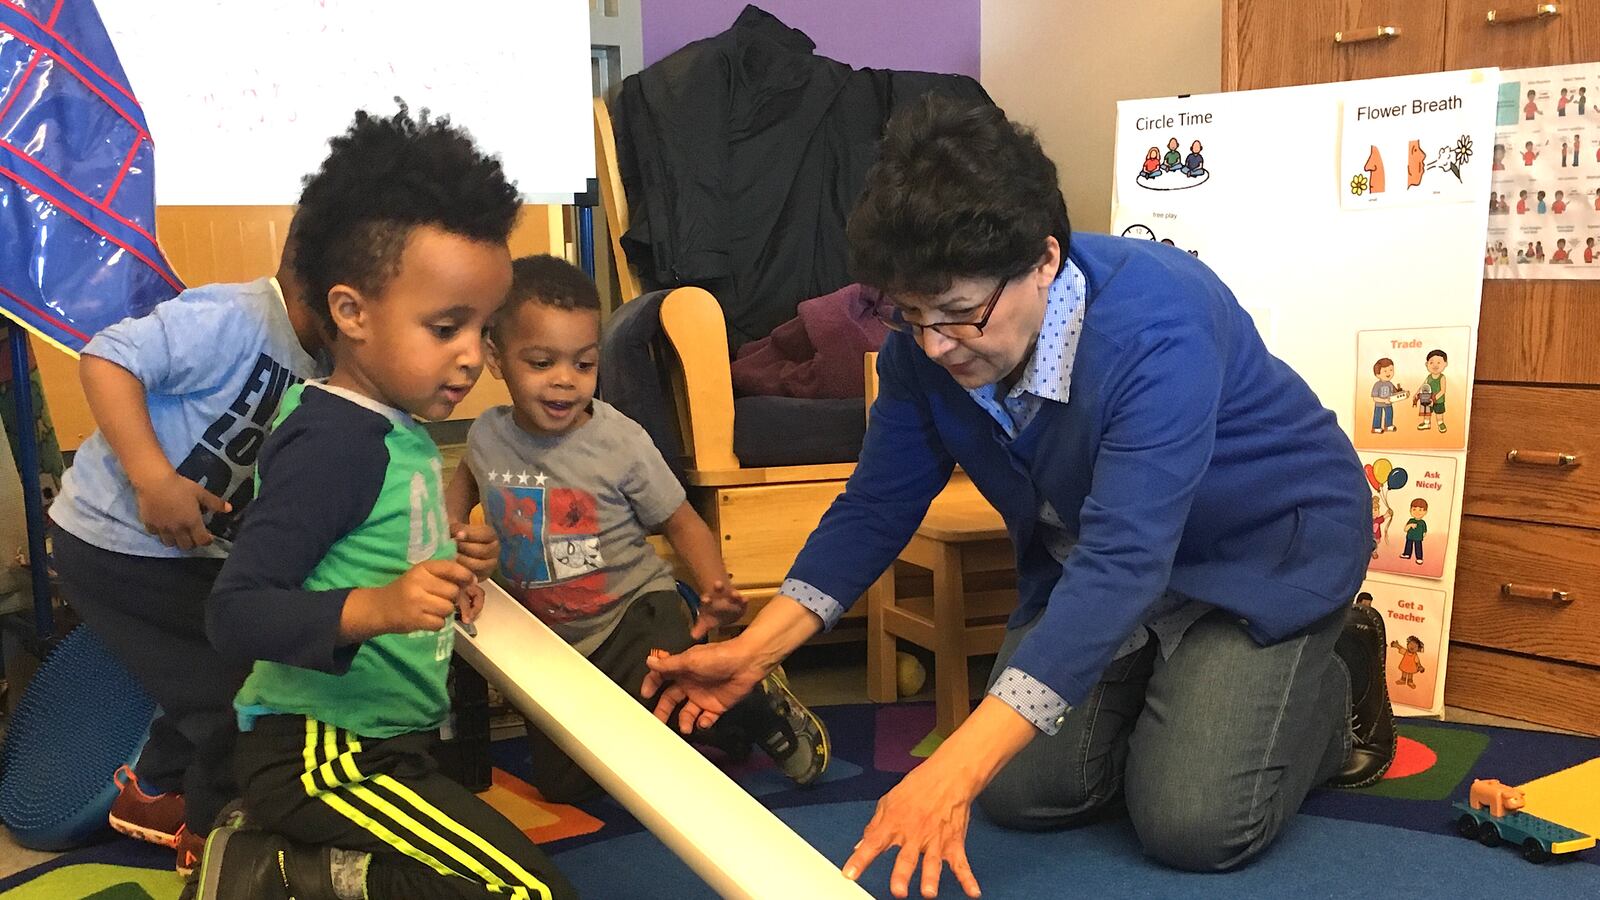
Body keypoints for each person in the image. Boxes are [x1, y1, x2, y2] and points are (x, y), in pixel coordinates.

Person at [640, 97, 1394, 899]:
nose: (935, 344)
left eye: (961, 316)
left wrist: (951, 772)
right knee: (1025, 795)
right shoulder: (923, 347)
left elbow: (1122, 561)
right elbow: (875, 508)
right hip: (1114, 569)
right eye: (911, 317)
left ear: (1044, 261)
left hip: (1260, 555)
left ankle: (1333, 679)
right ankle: (1187, 700)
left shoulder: (1158, 322)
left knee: (1195, 826)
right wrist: (754, 652)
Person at [199, 105, 575, 900]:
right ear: (351, 312)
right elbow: (235, 613)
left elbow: (370, 552)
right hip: (321, 751)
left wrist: (446, 567)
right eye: (446, 327)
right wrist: (378, 606)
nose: (474, 354)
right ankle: (268, 874)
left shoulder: (393, 432)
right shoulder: (333, 443)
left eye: (482, 327)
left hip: (387, 739)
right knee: (529, 893)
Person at [443, 255, 830, 804]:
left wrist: (715, 585)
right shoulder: (486, 434)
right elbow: (463, 485)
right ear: (495, 358)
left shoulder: (620, 441)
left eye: (583, 365)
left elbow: (680, 519)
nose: (564, 381)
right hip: (553, 640)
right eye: (541, 362)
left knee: (675, 687)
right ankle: (701, 719)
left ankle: (749, 701)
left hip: (635, 615)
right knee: (565, 788)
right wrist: (450, 532)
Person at [48, 213, 330, 874]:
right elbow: (107, 357)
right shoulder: (232, 317)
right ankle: (214, 844)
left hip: (196, 552)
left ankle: (153, 790)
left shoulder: (330, 361)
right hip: (114, 543)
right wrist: (152, 478)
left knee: (230, 655)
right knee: (237, 694)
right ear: (334, 292)